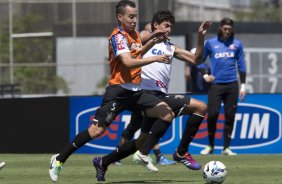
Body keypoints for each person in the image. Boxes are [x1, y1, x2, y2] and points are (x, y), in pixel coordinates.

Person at [49, 0, 175, 182]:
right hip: (118, 92)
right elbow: (128, 62)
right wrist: (156, 57)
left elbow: (137, 53)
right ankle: (59, 159)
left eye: (136, 16)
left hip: (137, 93)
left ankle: (138, 152)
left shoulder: (134, 35)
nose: (134, 20)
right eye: (130, 17)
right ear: (120, 17)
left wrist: (154, 36)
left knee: (166, 114)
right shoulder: (118, 37)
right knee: (96, 131)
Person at [92, 10, 211, 181]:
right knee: (199, 106)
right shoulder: (144, 36)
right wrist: (154, 35)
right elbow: (140, 40)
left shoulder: (170, 47)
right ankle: (177, 152)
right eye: (166, 26)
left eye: (171, 27)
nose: (169, 30)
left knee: (140, 141)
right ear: (156, 25)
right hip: (143, 95)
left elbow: (196, 60)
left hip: (158, 97)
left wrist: (200, 36)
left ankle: (103, 162)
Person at [113, 22, 176, 166]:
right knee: (135, 126)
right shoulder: (140, 45)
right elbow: (130, 59)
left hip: (150, 93)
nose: (152, 36)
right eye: (149, 33)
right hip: (141, 92)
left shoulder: (159, 46)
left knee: (143, 125)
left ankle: (154, 156)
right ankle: (120, 154)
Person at [200, 17, 246, 156]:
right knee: (212, 114)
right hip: (216, 85)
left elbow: (242, 66)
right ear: (220, 27)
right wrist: (205, 75)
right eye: (225, 28)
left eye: (229, 29)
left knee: (230, 116)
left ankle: (226, 148)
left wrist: (243, 85)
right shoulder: (210, 43)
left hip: (232, 84)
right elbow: (199, 61)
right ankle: (210, 145)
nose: (227, 31)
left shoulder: (237, 44)